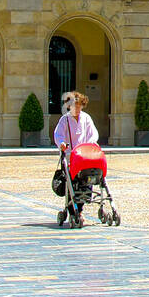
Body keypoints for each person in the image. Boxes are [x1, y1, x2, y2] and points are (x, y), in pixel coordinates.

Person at [53, 92, 99, 224]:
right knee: (71, 183)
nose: (76, 109)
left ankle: (80, 208)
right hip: (70, 157)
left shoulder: (86, 118)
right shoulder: (65, 120)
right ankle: (74, 211)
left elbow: (93, 134)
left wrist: (89, 144)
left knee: (86, 181)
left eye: (79, 106)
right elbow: (58, 135)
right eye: (74, 106)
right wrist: (61, 143)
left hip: (84, 156)